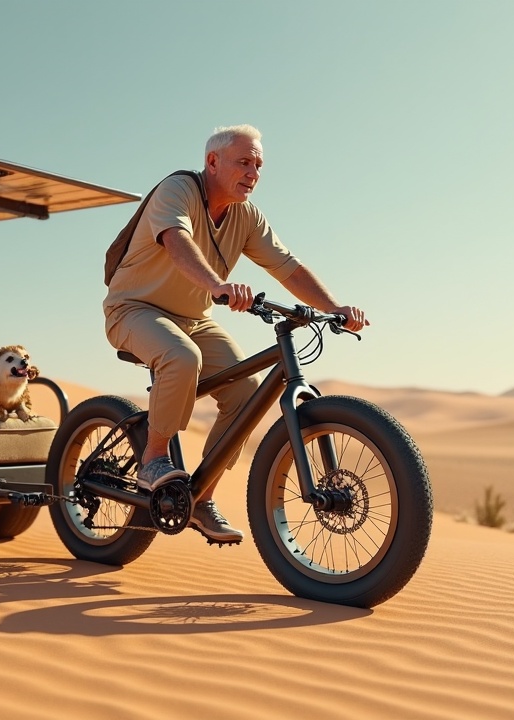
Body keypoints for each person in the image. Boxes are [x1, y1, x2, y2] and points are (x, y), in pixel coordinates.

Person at [102, 124, 369, 544]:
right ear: (213, 161)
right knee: (181, 357)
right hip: (134, 309)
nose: (253, 172)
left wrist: (332, 308)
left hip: (193, 318)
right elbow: (176, 241)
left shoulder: (246, 217)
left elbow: (288, 267)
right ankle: (153, 459)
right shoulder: (179, 191)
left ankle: (200, 499)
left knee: (246, 391)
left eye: (258, 165)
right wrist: (218, 286)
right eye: (244, 162)